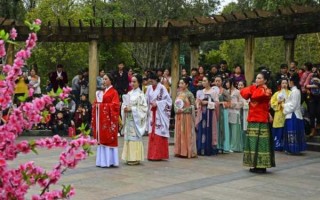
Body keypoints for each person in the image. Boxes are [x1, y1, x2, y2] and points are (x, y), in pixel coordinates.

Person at [240, 71, 275, 173]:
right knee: (252, 142)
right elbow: (243, 93)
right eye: (256, 78)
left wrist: (252, 89)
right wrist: (252, 88)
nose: (257, 80)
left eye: (260, 78)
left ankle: (261, 165)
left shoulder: (267, 90)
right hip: (252, 119)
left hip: (261, 120)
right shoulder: (255, 88)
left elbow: (256, 96)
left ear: (265, 80)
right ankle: (254, 164)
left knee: (261, 143)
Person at [92, 73, 120, 167]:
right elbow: (96, 103)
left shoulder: (114, 92)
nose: (104, 81)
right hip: (102, 119)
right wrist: (96, 105)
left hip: (108, 120)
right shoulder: (101, 92)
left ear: (110, 80)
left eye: (106, 79)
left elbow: (116, 106)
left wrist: (103, 107)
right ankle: (102, 162)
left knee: (109, 138)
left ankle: (110, 161)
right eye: (103, 79)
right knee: (102, 139)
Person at [121, 74, 148, 165]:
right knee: (128, 138)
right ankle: (128, 157)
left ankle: (135, 158)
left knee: (134, 139)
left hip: (135, 120)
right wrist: (124, 107)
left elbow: (144, 108)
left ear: (139, 83)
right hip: (129, 119)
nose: (132, 83)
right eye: (131, 81)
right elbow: (125, 104)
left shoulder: (141, 95)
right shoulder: (129, 93)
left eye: (134, 81)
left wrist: (132, 109)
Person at [146, 73, 172, 161]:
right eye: (150, 80)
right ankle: (151, 155)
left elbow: (168, 101)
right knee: (152, 132)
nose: (151, 81)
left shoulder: (162, 88)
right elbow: (146, 100)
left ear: (156, 79)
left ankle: (159, 155)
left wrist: (157, 103)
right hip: (151, 112)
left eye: (152, 79)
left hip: (159, 113)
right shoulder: (149, 88)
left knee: (159, 132)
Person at [195, 76, 219, 156]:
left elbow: (217, 104)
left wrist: (207, 103)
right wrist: (198, 103)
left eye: (205, 80)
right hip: (202, 113)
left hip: (210, 114)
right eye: (202, 81)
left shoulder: (214, 91)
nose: (203, 82)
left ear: (209, 82)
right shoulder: (200, 92)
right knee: (201, 130)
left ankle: (208, 149)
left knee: (209, 130)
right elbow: (197, 102)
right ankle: (200, 148)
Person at [283, 74, 306, 154]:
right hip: (293, 114)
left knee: (292, 132)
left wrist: (284, 105)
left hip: (293, 115)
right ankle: (291, 149)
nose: (288, 83)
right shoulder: (294, 91)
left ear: (292, 82)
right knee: (292, 132)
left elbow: (293, 105)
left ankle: (293, 149)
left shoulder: (295, 91)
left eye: (289, 81)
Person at [174, 78, 197, 158]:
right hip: (179, 115)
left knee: (187, 133)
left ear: (187, 84)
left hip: (186, 116)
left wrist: (184, 110)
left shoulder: (190, 94)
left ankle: (187, 151)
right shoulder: (178, 93)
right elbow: (175, 104)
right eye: (180, 83)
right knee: (179, 132)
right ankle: (179, 151)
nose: (180, 85)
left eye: (182, 83)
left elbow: (193, 106)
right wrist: (176, 109)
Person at [270, 78, 290, 151]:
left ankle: (286, 146)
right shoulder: (276, 94)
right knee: (278, 130)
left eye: (285, 83)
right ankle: (277, 146)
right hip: (278, 114)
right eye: (283, 83)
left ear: (288, 84)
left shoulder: (290, 93)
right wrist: (278, 102)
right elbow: (272, 103)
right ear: (280, 84)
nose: (284, 84)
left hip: (287, 114)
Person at [226, 78, 244, 152]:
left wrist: (234, 105)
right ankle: (228, 145)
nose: (226, 84)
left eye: (227, 83)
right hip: (227, 112)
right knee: (228, 130)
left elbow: (242, 103)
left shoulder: (237, 92)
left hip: (235, 112)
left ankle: (234, 147)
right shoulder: (226, 92)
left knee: (235, 131)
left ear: (231, 83)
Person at [215, 76, 231, 153]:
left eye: (219, 81)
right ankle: (215, 145)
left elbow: (229, 103)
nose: (217, 82)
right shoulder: (212, 90)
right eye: (216, 81)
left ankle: (222, 146)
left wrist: (221, 103)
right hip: (214, 112)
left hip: (222, 112)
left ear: (221, 82)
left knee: (222, 128)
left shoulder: (224, 91)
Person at [305, 67, 320, 137]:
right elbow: (305, 85)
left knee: (318, 112)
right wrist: (311, 86)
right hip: (312, 97)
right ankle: (312, 130)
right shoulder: (311, 75)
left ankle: (318, 126)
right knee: (312, 113)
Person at [237, 80, 249, 148]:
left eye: (241, 85)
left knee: (244, 128)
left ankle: (244, 144)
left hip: (244, 112)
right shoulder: (236, 93)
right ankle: (239, 144)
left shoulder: (246, 93)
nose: (240, 86)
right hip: (238, 111)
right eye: (239, 85)